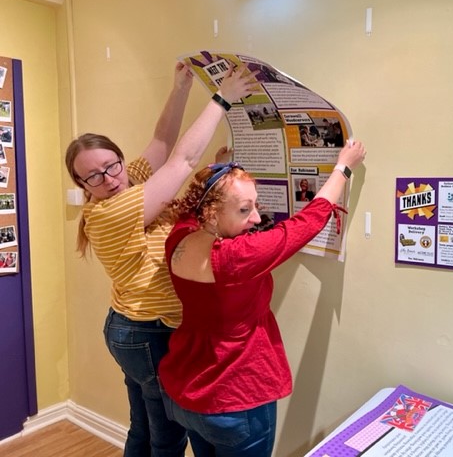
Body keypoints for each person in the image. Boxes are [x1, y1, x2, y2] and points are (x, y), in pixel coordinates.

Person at [64, 61, 257, 457]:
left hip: (133, 329)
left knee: (144, 429)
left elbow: (162, 143)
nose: (109, 178)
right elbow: (180, 163)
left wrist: (181, 86)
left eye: (111, 165)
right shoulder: (109, 212)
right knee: (169, 437)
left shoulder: (129, 180)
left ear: (120, 159)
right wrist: (222, 99)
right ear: (81, 185)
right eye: (93, 177)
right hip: (147, 334)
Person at [158, 141, 366, 456]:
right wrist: (344, 166)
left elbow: (191, 207)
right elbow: (306, 223)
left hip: (185, 393)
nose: (256, 218)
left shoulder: (178, 238)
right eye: (244, 210)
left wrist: (219, 169)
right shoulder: (235, 256)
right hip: (235, 398)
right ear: (212, 213)